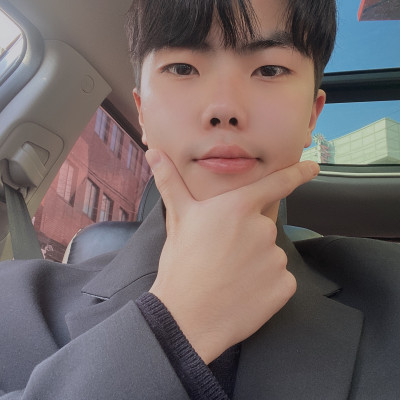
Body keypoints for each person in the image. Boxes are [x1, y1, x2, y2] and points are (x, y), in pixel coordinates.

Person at [1, 0, 400, 399]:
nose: (224, 109)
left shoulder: (391, 289)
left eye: (269, 70)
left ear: (311, 116)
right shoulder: (13, 302)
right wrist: (170, 328)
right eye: (182, 68)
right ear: (143, 114)